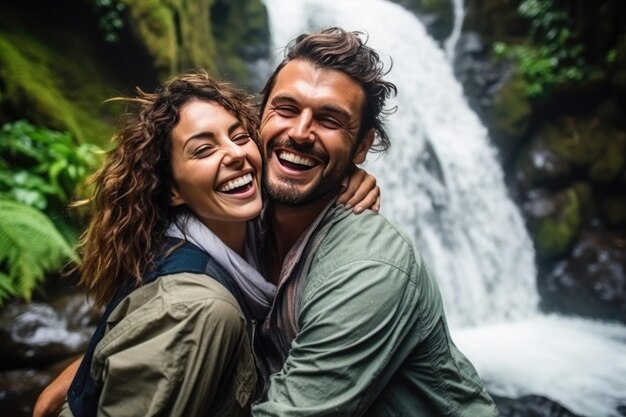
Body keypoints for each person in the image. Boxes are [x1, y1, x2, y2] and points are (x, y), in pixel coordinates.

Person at [33, 72, 379, 417]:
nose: (234, 154)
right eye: (203, 149)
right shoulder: (198, 309)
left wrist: (339, 172)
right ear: (172, 190)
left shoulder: (225, 237)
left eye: (240, 136)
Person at [248, 27, 500, 416]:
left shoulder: (370, 268)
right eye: (286, 109)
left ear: (362, 147)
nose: (299, 133)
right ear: (259, 118)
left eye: (330, 120)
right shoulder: (238, 215)